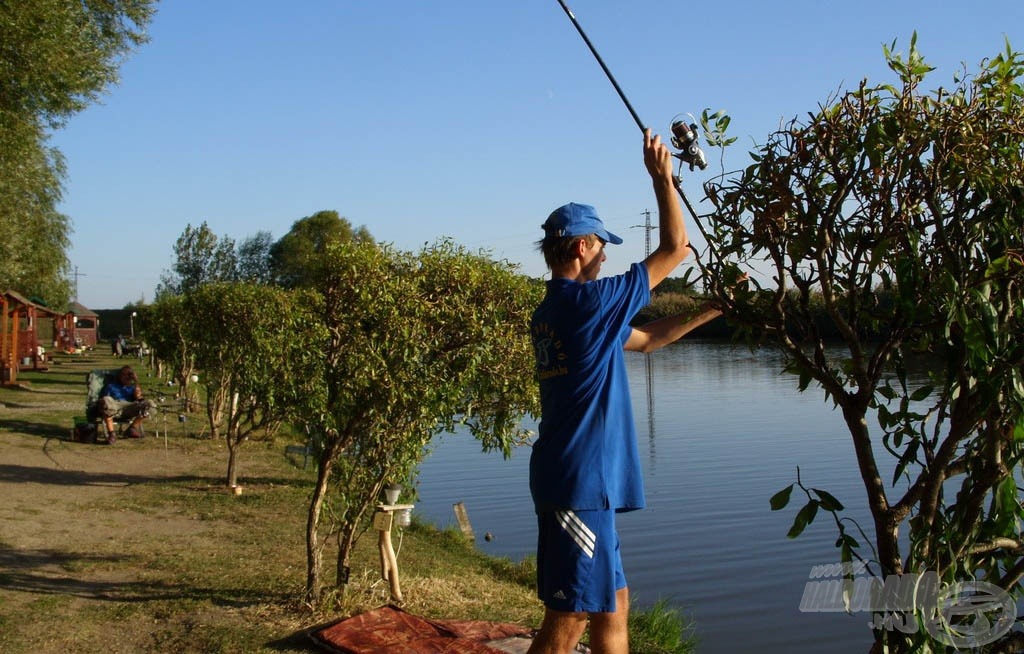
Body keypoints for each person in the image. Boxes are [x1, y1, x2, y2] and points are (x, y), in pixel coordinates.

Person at [528, 129, 723, 654]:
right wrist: (664, 179)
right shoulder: (586, 305)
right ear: (581, 246)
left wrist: (716, 307)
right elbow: (675, 249)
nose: (606, 260)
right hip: (579, 485)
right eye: (601, 248)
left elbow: (651, 339)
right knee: (569, 617)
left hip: (585, 483)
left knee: (613, 602)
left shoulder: (560, 311)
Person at [98, 365, 156, 444]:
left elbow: (139, 398)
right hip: (115, 405)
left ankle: (133, 427)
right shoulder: (111, 386)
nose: (126, 377)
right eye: (124, 374)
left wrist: (136, 381)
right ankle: (112, 434)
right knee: (106, 401)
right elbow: (104, 399)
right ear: (119, 376)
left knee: (150, 404)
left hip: (129, 406)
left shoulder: (132, 387)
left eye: (129, 375)